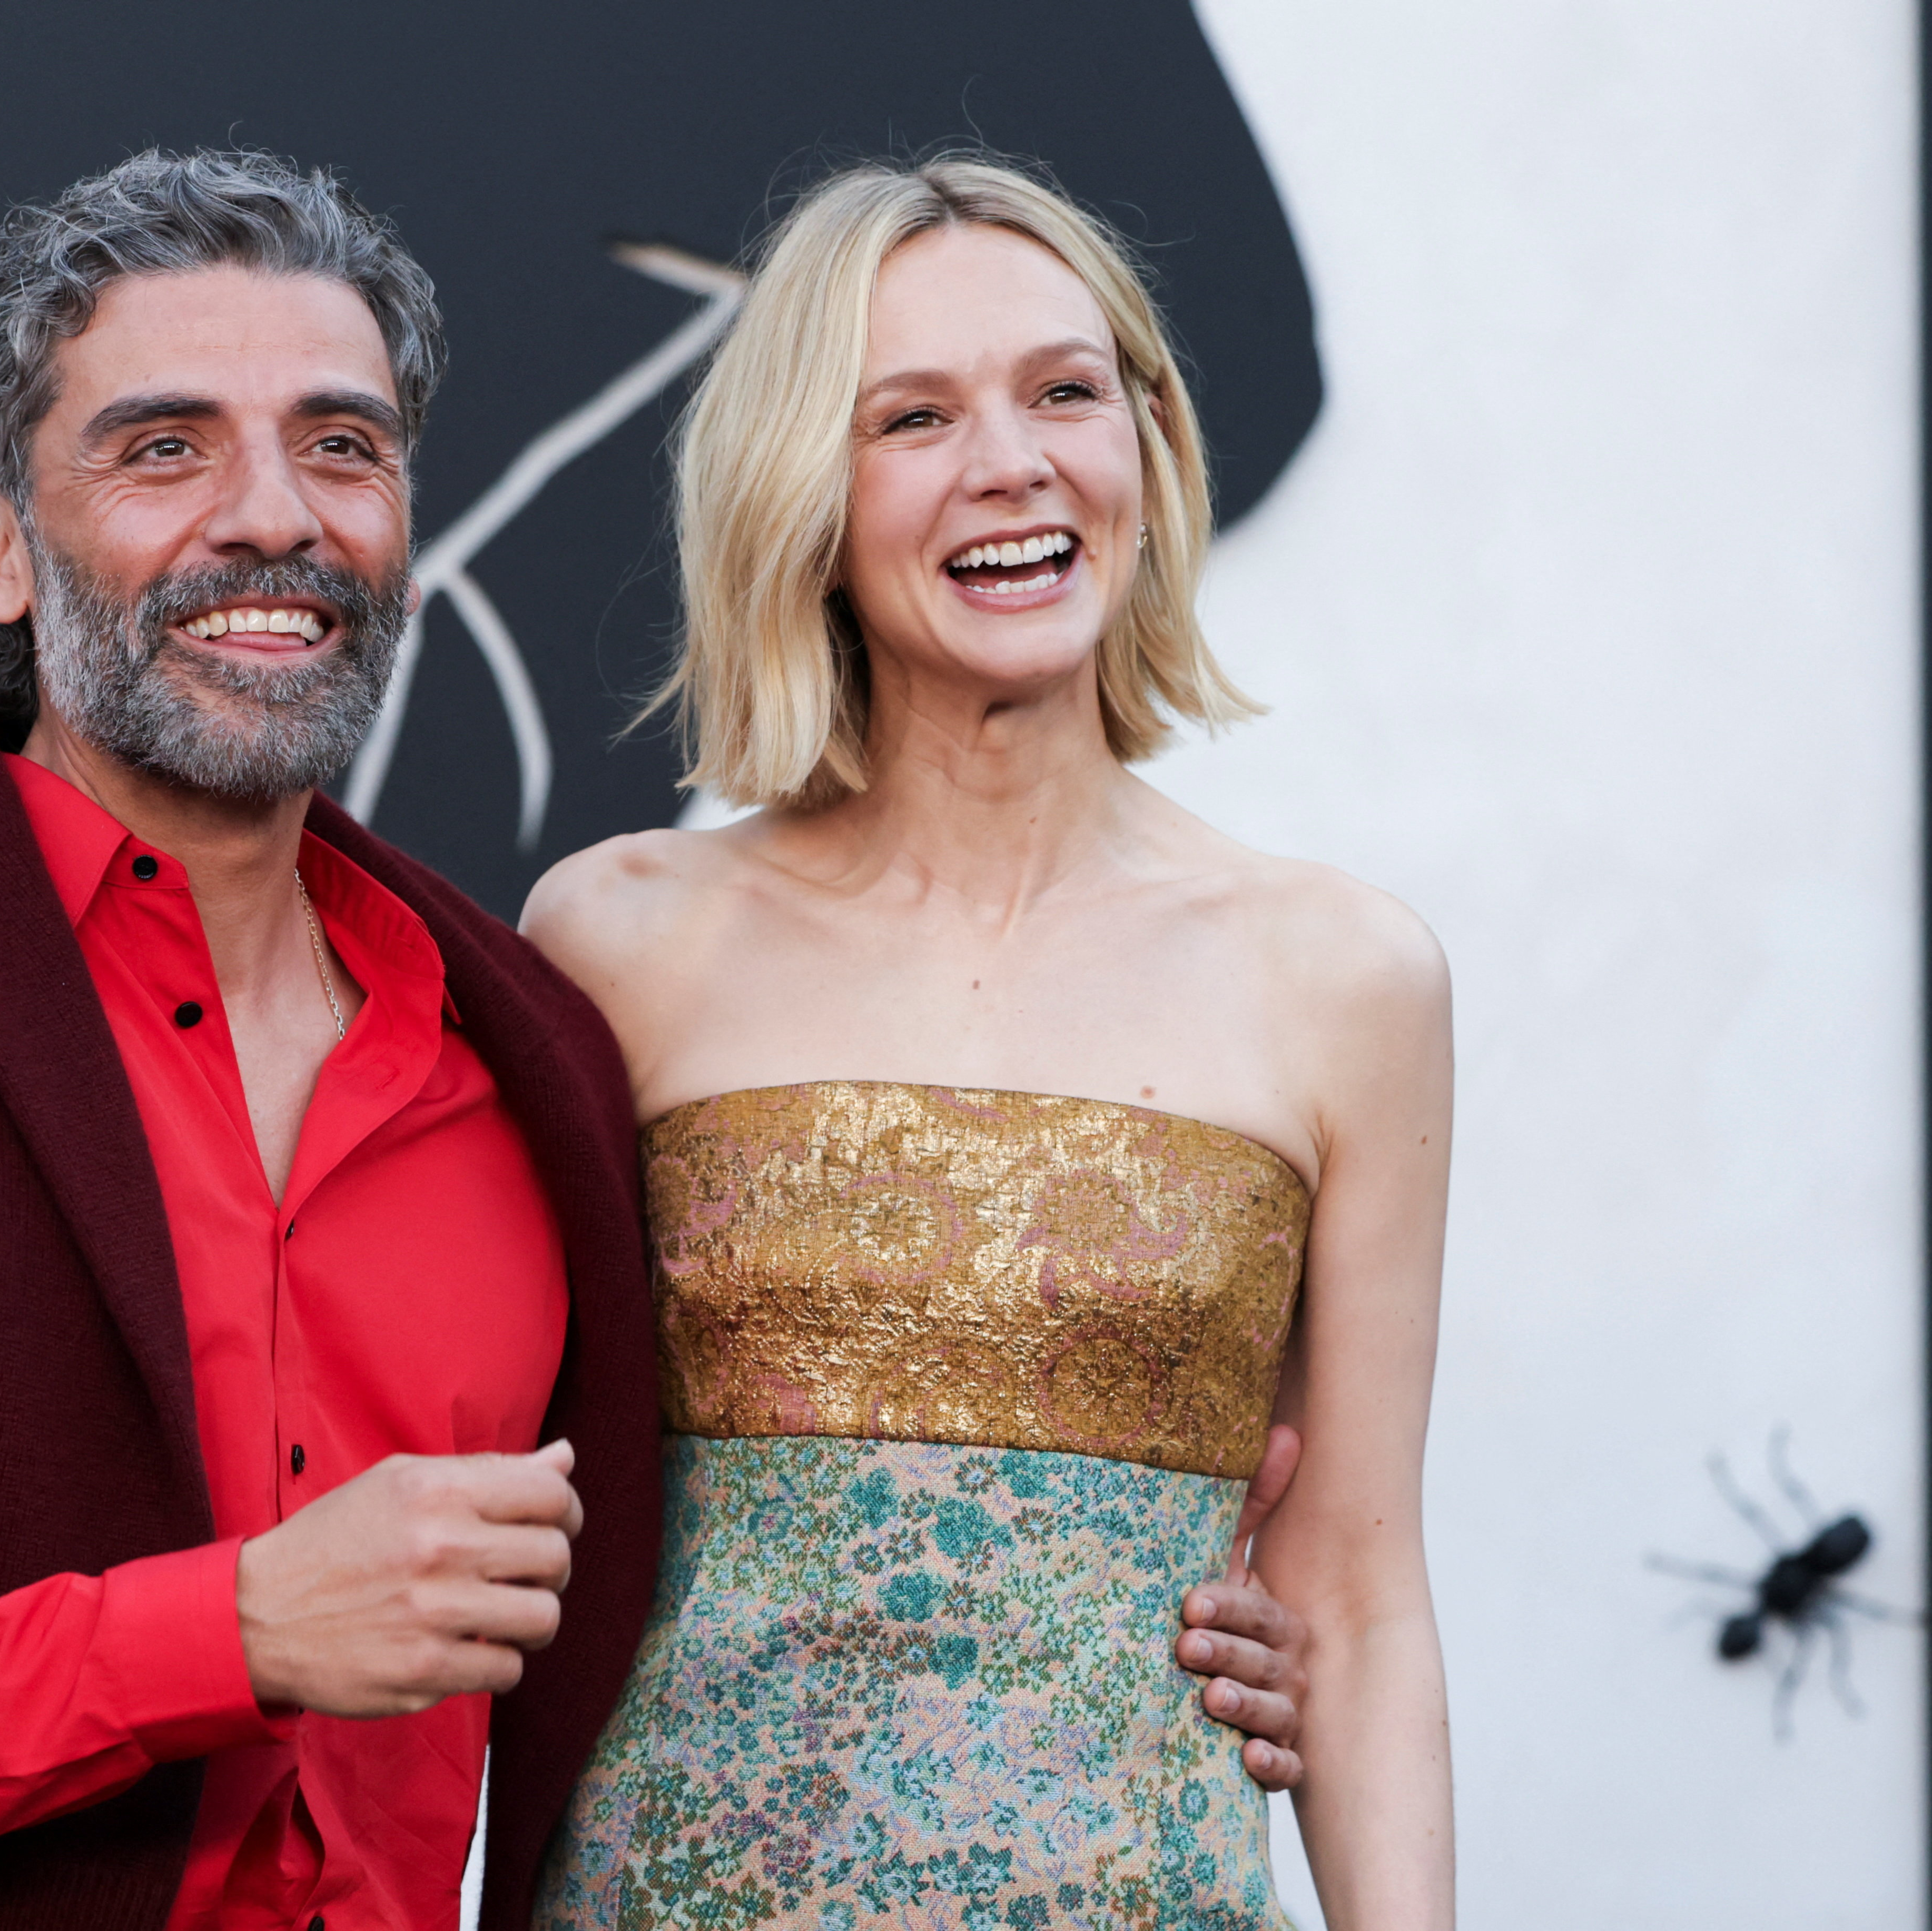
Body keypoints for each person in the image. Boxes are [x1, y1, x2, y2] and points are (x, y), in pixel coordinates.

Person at [0, 149, 1319, 1931]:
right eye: (163, 449)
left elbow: (720, 1517)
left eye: (341, 444)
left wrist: (1113, 1588)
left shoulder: (515, 1055)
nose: (272, 517)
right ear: (3, 544)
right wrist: (231, 1629)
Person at [524, 156, 1455, 1929]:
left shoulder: (1344, 977)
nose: (1009, 462)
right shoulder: (618, 938)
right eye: (913, 416)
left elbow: (1353, 1592)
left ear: (1146, 447)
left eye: (1062, 391)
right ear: (804, 492)